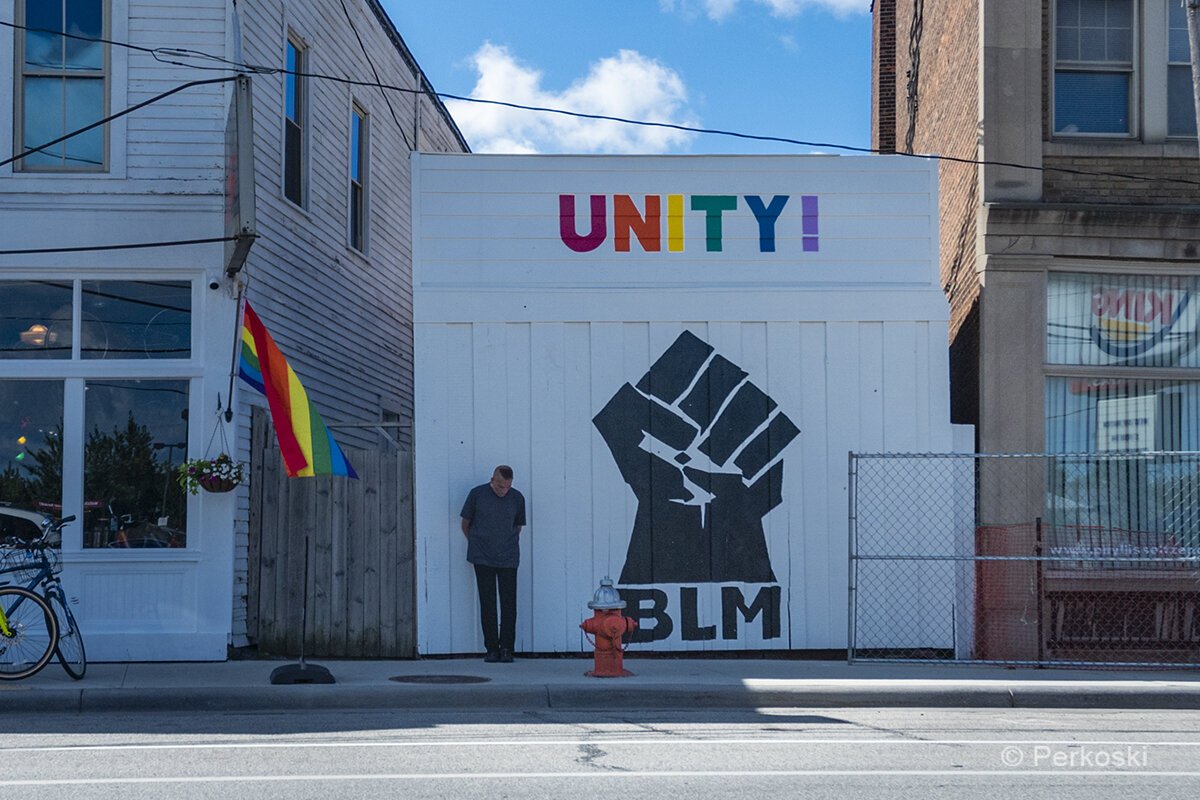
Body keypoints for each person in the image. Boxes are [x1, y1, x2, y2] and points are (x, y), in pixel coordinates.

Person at [460, 465, 526, 663]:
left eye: (507, 487)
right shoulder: (477, 494)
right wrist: (476, 541)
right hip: (482, 556)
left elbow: (518, 526)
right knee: (487, 602)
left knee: (508, 603)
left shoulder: (517, 498)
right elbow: (465, 523)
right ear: (492, 480)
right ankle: (491, 648)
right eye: (499, 486)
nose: (503, 490)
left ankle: (507, 648)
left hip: (508, 557)